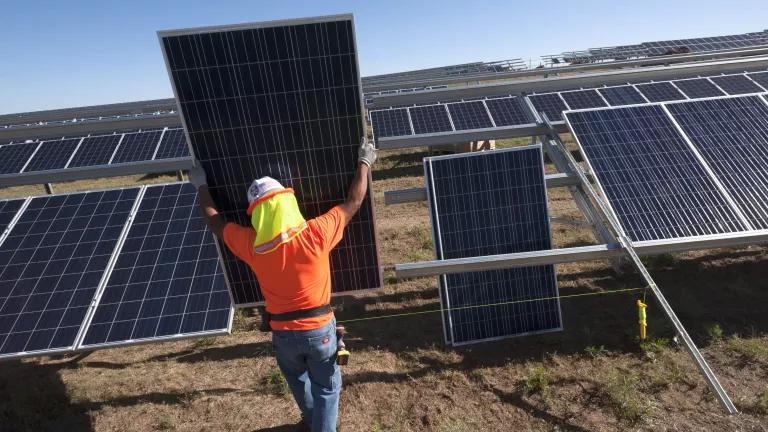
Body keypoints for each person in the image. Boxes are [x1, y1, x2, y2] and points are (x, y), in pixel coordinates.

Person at [188, 138, 377, 432]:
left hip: (283, 334)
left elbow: (215, 222)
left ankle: (311, 421)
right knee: (327, 388)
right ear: (288, 201)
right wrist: (364, 163)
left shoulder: (253, 245)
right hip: (319, 331)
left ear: (257, 212)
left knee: (299, 382)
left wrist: (201, 185)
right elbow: (353, 202)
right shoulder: (316, 233)